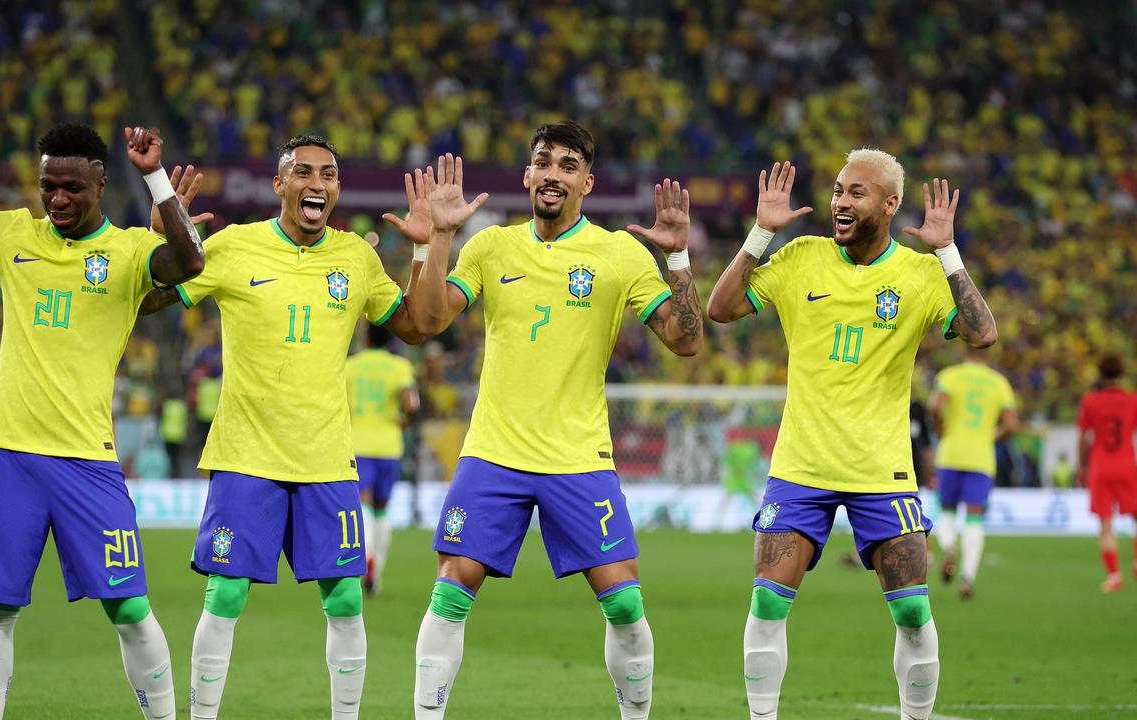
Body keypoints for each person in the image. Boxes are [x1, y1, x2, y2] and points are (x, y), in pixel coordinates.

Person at [0, 101, 206, 719]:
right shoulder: (10, 234)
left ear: (102, 185)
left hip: (88, 461)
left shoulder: (132, 251)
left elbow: (189, 263)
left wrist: (159, 183)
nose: (57, 199)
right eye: (48, 185)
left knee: (131, 607)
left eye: (72, 187)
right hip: (8, 454)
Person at [406, 121, 704, 719]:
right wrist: (438, 237)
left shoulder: (619, 253)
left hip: (578, 455)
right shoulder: (492, 247)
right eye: (544, 161)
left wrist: (677, 257)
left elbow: (686, 339)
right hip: (494, 450)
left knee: (623, 604)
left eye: (569, 165)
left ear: (587, 183)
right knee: (451, 587)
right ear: (527, 174)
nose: (554, 173)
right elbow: (428, 319)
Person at [142, 135, 428, 719]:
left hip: (327, 458)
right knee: (226, 593)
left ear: (337, 188)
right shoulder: (233, 247)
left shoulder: (357, 257)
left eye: (328, 173)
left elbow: (415, 326)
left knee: (347, 597)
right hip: (247, 454)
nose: (316, 183)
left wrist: (428, 250)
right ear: (280, 185)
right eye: (303, 172)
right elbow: (148, 301)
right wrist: (157, 247)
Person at [705, 152, 998, 720]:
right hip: (800, 467)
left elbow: (982, 333)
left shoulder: (917, 274)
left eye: (857, 193)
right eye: (838, 190)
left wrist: (947, 252)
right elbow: (721, 308)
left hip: (881, 470)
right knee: (767, 600)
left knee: (912, 612)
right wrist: (761, 232)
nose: (840, 201)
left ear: (890, 205)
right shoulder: (801, 257)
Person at [929, 347, 1019, 598]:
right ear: (988, 354)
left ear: (963, 350)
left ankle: (949, 547)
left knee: (946, 510)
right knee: (974, 517)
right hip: (981, 458)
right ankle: (967, 577)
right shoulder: (998, 383)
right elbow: (1012, 424)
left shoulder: (950, 376)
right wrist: (993, 436)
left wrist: (941, 429)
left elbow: (935, 406)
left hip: (950, 453)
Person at [346, 322, 420, 595]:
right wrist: (403, 421)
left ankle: (366, 557)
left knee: (360, 504)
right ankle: (376, 575)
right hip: (389, 446)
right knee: (381, 509)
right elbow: (411, 403)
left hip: (358, 444)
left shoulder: (351, 366)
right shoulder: (400, 366)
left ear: (366, 338)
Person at [1076, 354, 1137, 592]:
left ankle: (1114, 576)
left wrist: (1082, 465)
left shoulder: (1090, 401)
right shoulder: (1132, 400)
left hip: (1101, 466)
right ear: (1121, 375)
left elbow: (1084, 438)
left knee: (1106, 523)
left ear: (1100, 375)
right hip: (1126, 463)